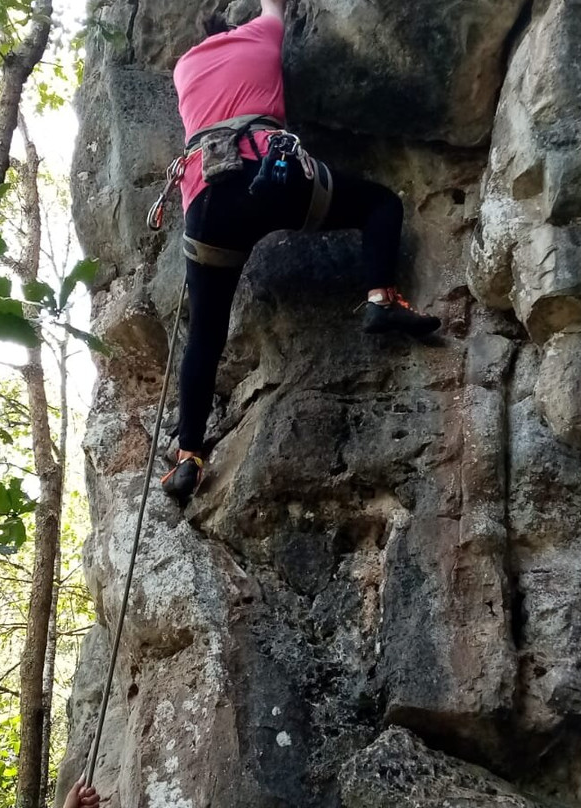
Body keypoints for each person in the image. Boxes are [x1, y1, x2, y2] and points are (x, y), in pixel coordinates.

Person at [160, 0, 441, 503]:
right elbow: (276, 6)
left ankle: (189, 458)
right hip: (272, 175)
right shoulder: (262, 34)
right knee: (379, 204)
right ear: (240, 26)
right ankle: (381, 298)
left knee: (205, 334)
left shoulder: (185, 68)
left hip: (206, 200)